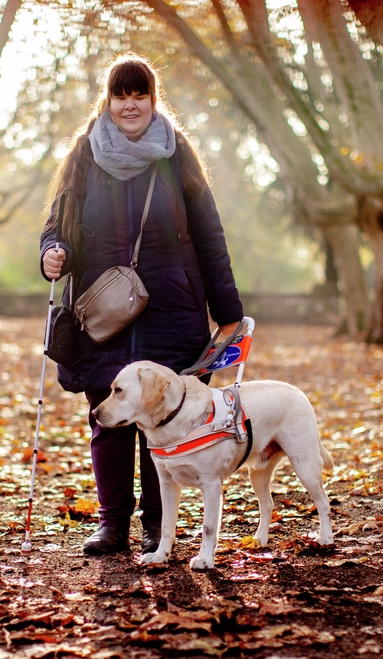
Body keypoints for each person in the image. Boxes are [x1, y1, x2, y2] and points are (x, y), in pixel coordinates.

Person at [40, 54, 243, 556]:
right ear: (108, 101)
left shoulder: (176, 154)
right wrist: (52, 252)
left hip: (171, 307)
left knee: (166, 420)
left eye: (139, 95)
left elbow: (209, 235)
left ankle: (158, 525)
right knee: (107, 417)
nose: (130, 105)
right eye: (121, 95)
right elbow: (59, 225)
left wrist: (228, 311)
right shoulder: (85, 154)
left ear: (153, 99)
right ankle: (113, 524)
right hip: (102, 311)